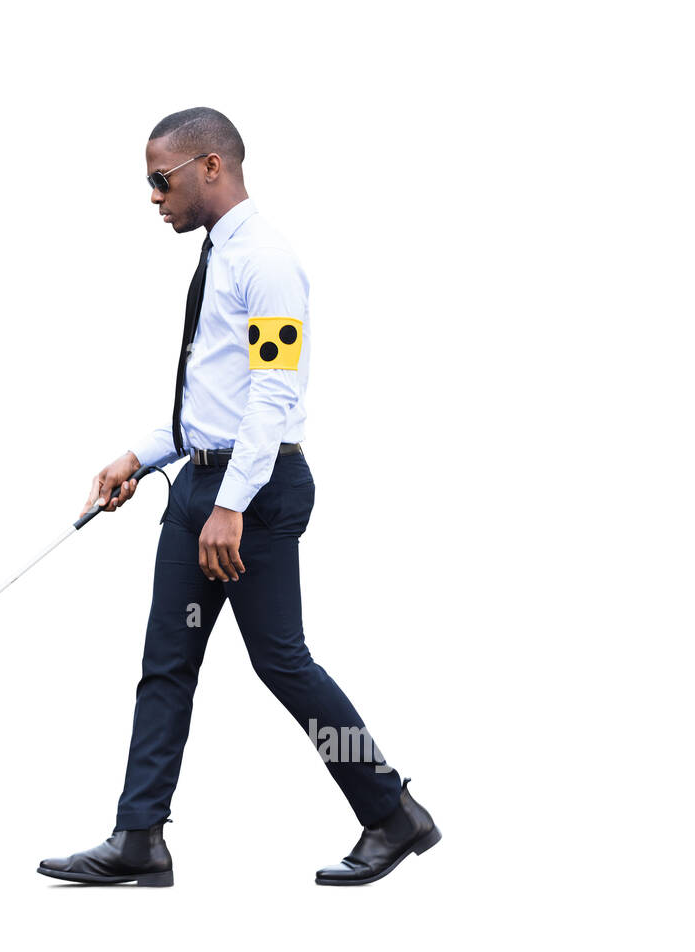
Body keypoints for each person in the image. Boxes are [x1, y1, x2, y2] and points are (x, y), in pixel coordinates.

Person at [37, 108, 440, 888]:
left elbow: (273, 393)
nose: (154, 197)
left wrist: (232, 502)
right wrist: (140, 455)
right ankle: (139, 837)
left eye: (162, 179)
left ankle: (391, 812)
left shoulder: (268, 263)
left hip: (249, 496)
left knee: (283, 662)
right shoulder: (219, 257)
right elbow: (212, 400)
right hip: (199, 485)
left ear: (211, 166)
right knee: (167, 662)